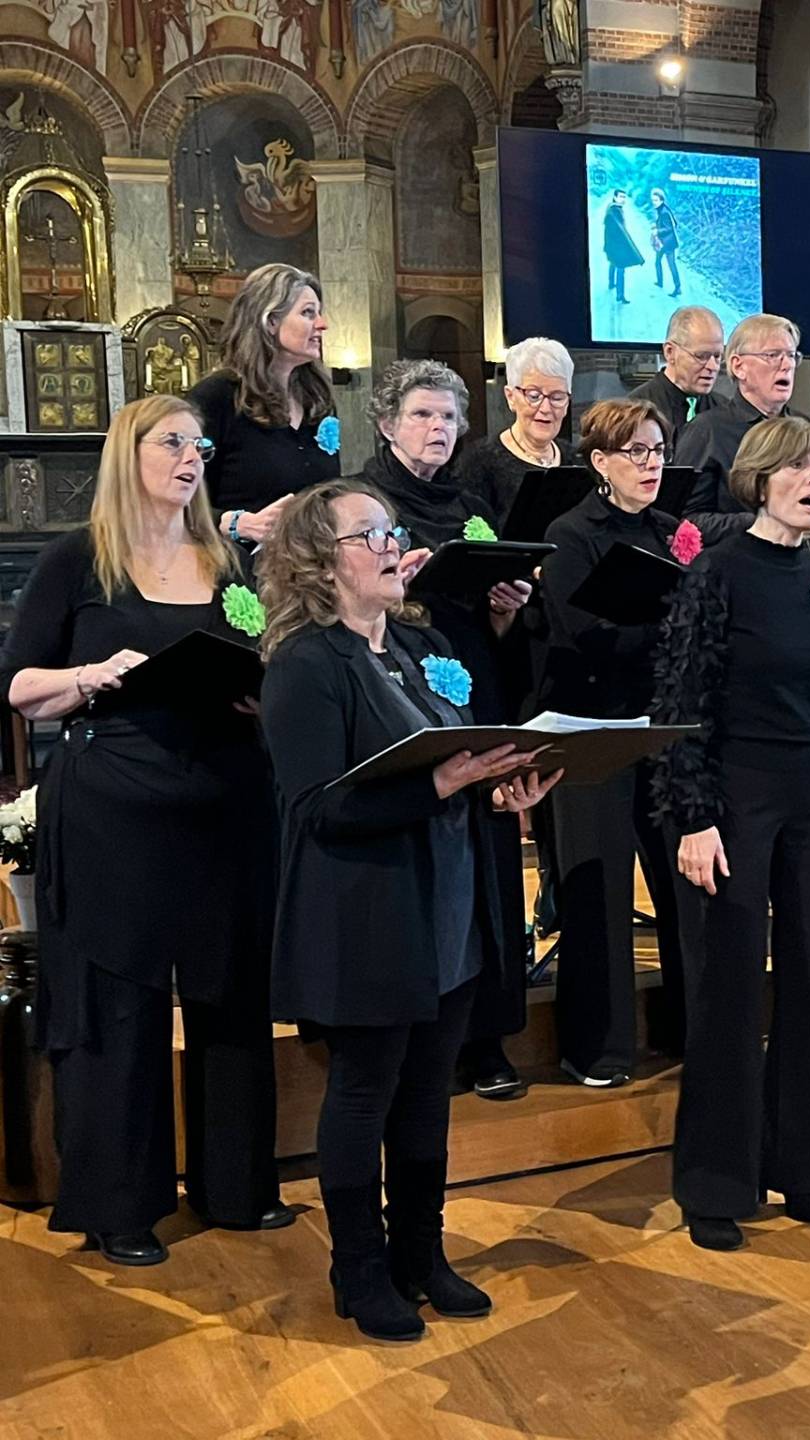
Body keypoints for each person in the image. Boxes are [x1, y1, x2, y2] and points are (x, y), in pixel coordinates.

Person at [257, 481, 557, 1341]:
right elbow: (316, 808)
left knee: (428, 1094)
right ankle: (358, 1268)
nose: (393, 546)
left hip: (450, 907)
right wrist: (441, 784)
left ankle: (421, 1255)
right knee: (365, 1094)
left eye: (392, 531)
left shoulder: (422, 647)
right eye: (370, 536)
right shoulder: (306, 665)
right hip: (367, 916)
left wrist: (499, 789)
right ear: (320, 563)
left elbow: (458, 761)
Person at [1, 395, 284, 1266]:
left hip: (226, 800)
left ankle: (236, 1186)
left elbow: (263, 655)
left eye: (200, 445)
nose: (192, 457)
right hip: (115, 806)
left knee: (231, 993)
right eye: (173, 443)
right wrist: (91, 674)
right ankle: (118, 1205)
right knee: (119, 1000)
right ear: (130, 454)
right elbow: (19, 687)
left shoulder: (227, 562)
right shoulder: (79, 559)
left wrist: (260, 688)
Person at [653, 415, 810, 1253]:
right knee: (732, 986)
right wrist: (695, 817)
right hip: (737, 795)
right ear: (759, 477)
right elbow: (681, 702)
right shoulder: (717, 572)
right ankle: (716, 1183)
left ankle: (799, 1165)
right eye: (800, 468)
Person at [352, 360, 537, 1099]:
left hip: (472, 684)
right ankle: (410, 1037)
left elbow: (495, 624)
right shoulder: (362, 502)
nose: (439, 428)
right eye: (423, 415)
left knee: (488, 862)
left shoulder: (470, 505)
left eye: (450, 417)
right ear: (387, 423)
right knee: (423, 863)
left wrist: (505, 606)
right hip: (395, 690)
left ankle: (484, 1036)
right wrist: (399, 585)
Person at [535, 398, 693, 1075]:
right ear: (600, 461)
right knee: (599, 892)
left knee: (682, 884)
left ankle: (691, 1030)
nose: (651, 464)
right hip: (591, 727)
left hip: (661, 725)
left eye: (658, 451)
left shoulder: (673, 532)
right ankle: (597, 1048)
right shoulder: (571, 534)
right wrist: (666, 630)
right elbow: (584, 634)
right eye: (636, 452)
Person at [191, 262, 338, 535]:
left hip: (312, 552)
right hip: (241, 554)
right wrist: (235, 523)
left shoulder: (318, 398)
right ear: (270, 321)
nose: (322, 324)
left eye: (319, 313)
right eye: (308, 313)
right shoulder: (217, 396)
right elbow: (181, 497)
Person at [680, 313, 807, 537]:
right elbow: (685, 521)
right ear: (738, 366)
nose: (787, 365)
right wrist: (759, 523)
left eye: (791, 355)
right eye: (772, 355)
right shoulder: (708, 431)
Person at [451, 336, 578, 522]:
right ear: (511, 397)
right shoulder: (478, 462)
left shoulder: (577, 460)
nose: (545, 408)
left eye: (557, 397)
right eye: (534, 396)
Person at [630, 305, 723, 444]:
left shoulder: (726, 411)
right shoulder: (634, 410)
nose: (713, 366)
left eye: (717, 356)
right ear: (670, 352)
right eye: (701, 356)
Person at [603, 188, 645, 306]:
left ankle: (611, 283)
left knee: (613, 262)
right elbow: (620, 232)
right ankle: (620, 296)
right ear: (615, 197)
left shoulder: (613, 208)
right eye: (620, 197)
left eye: (624, 197)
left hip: (611, 244)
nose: (623, 199)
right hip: (616, 244)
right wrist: (629, 247)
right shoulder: (614, 211)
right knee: (621, 268)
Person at [649, 186, 682, 298]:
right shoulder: (663, 209)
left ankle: (677, 288)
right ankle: (660, 282)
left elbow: (669, 228)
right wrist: (656, 225)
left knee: (671, 265)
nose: (654, 202)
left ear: (661, 200)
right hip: (664, 242)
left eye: (656, 200)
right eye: (653, 200)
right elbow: (674, 223)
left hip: (668, 243)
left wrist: (657, 231)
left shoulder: (664, 212)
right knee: (658, 262)